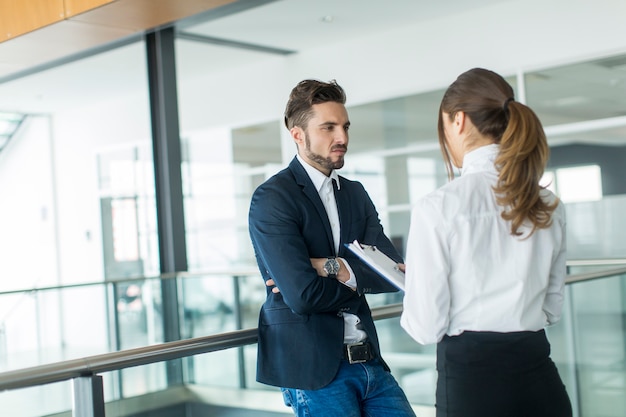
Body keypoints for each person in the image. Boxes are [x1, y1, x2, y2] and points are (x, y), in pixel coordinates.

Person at [400, 68, 573, 417]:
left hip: (473, 386)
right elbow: (552, 309)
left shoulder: (438, 207)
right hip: (540, 379)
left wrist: (415, 285)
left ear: (458, 120)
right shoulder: (549, 205)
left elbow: (426, 327)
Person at [248, 79, 416, 417]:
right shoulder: (273, 198)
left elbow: (392, 273)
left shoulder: (354, 193)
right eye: (329, 127)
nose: (342, 138)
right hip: (315, 373)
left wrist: (332, 267)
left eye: (344, 126)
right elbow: (302, 296)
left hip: (370, 361)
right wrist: (360, 278)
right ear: (297, 133)